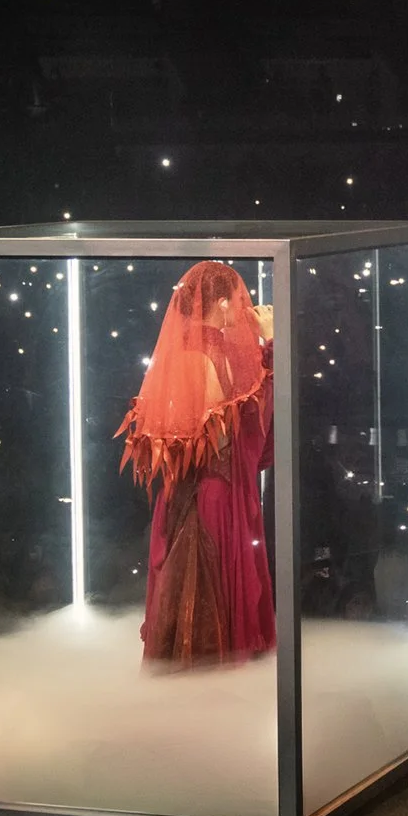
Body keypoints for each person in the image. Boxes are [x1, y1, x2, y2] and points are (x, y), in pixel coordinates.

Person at [116, 261, 275, 668]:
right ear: (221, 304)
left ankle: (202, 679)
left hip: (190, 492)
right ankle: (212, 675)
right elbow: (220, 438)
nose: (244, 307)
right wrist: (271, 348)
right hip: (214, 494)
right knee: (210, 587)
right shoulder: (206, 355)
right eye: (238, 299)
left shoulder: (185, 353)